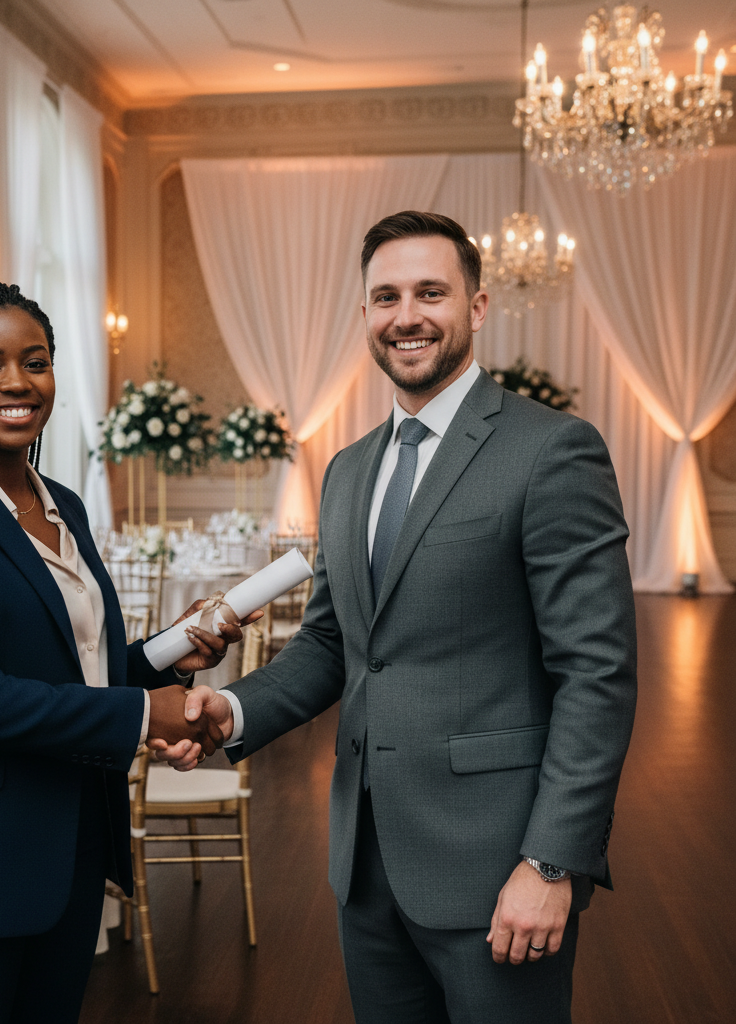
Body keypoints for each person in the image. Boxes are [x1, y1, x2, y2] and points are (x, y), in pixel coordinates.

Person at [156, 211, 638, 1023]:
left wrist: (551, 864)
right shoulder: (347, 470)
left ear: (476, 308)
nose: (406, 316)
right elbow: (332, 646)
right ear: (367, 314)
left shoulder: (553, 450)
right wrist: (229, 711)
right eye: (385, 296)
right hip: (365, 869)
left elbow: (597, 675)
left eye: (430, 292)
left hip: (499, 869)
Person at [0, 282, 256, 1024]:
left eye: (34, 362)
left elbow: (79, 672)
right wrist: (144, 713)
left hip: (65, 854)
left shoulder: (63, 504)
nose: (16, 382)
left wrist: (170, 657)